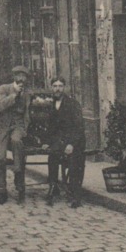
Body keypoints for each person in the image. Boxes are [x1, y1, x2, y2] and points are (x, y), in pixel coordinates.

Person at [0, 64, 32, 205]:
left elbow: (26, 114)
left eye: (24, 77)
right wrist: (14, 95)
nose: (21, 79)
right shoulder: (4, 89)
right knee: (0, 158)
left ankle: (19, 182)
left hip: (17, 126)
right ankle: (2, 191)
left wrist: (24, 128)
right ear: (14, 77)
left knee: (17, 141)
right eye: (19, 76)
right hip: (3, 126)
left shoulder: (27, 94)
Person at [45, 76, 86, 209]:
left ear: (64, 88)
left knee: (74, 162)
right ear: (51, 88)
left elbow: (79, 127)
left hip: (75, 141)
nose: (57, 89)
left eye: (60, 86)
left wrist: (71, 144)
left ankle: (76, 196)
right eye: (55, 86)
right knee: (52, 156)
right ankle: (53, 186)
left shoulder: (73, 104)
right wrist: (47, 142)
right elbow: (49, 127)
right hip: (59, 141)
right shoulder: (50, 104)